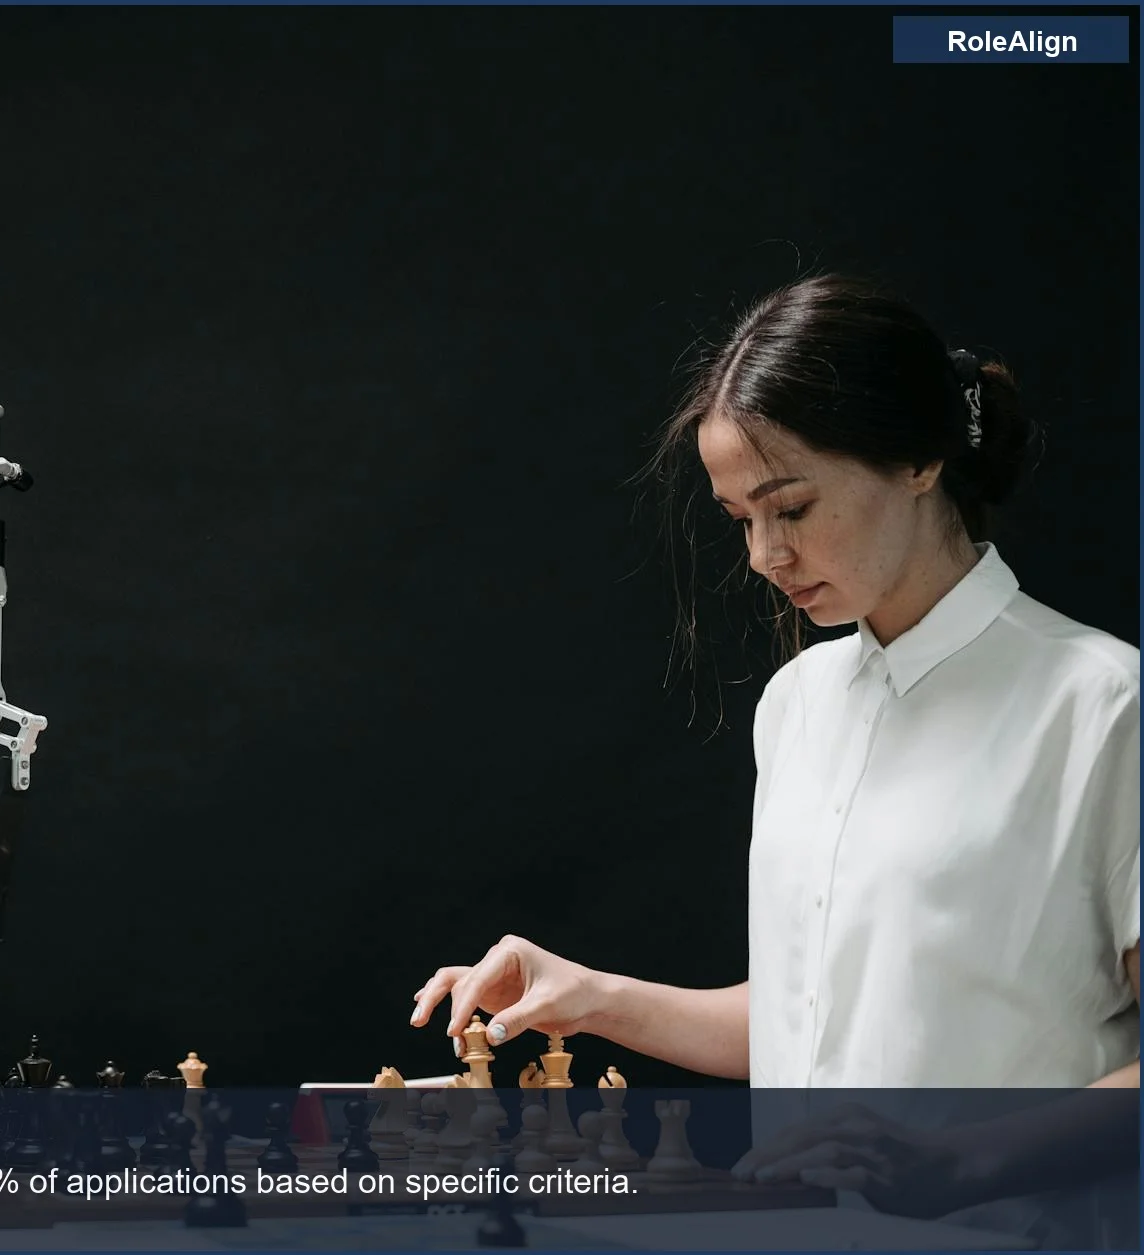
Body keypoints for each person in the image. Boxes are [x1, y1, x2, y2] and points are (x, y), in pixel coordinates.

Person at [410, 274, 1139, 1222]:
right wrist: (588, 996)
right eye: (740, 519)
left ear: (919, 459)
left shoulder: (1102, 704)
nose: (764, 555)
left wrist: (962, 1164)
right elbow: (817, 1018)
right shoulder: (800, 703)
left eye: (790, 507)